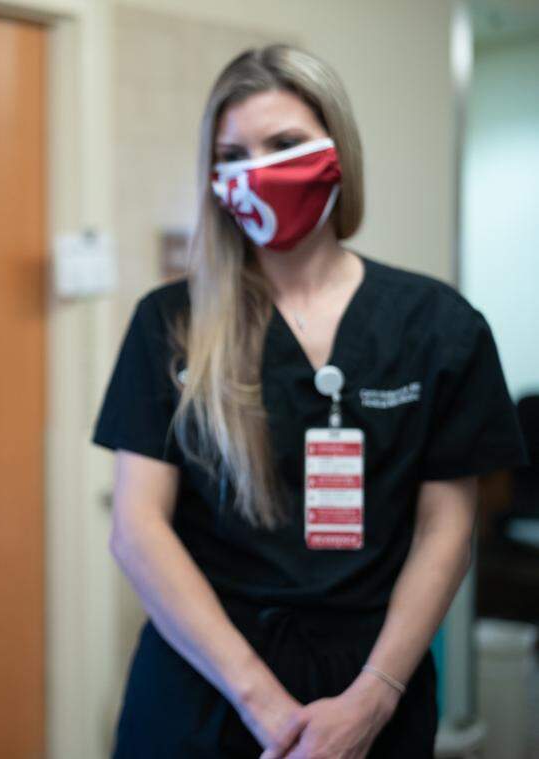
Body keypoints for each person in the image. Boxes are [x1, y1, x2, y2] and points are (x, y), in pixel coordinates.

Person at [95, 45, 526, 758]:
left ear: (337, 151)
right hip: (205, 689)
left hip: (373, 686)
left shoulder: (438, 326)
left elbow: (446, 527)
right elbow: (137, 528)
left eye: (284, 144)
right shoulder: (171, 323)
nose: (259, 171)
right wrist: (266, 708)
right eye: (233, 154)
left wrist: (373, 697)